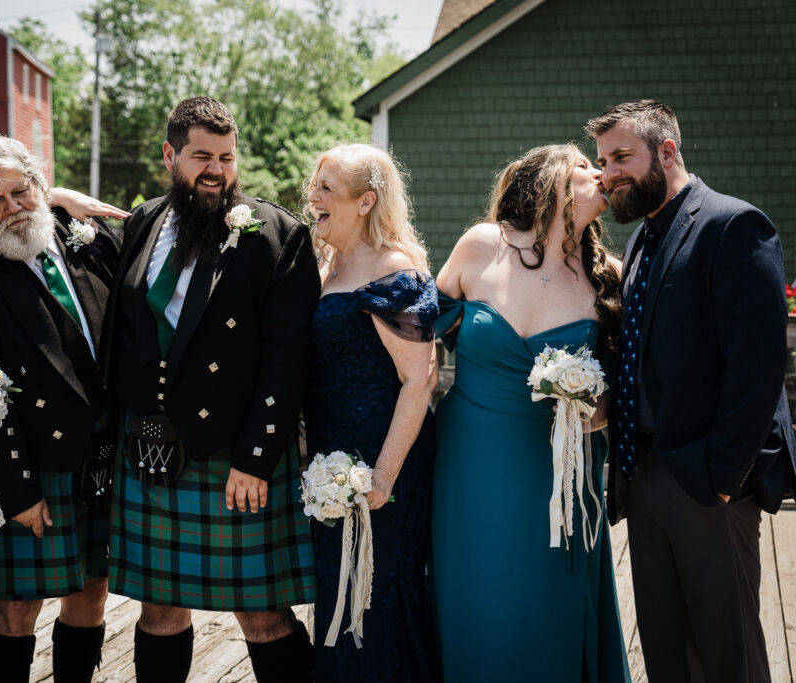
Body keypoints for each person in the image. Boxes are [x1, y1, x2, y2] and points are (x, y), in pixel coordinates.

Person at [101, 97, 318, 683]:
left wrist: (256, 457)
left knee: (262, 612)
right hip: (151, 447)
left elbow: (287, 359)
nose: (216, 170)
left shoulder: (276, 234)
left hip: (234, 449)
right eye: (202, 157)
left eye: (226, 157)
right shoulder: (145, 221)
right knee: (158, 607)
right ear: (170, 155)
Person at [588, 100, 796, 683]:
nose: (609, 173)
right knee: (666, 653)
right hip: (643, 475)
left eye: (621, 156)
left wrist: (721, 476)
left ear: (667, 151)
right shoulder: (641, 240)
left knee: (729, 654)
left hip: (709, 482)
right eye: (603, 161)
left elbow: (758, 367)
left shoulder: (734, 225)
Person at [432, 144, 630, 681]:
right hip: (469, 457)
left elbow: (624, 379)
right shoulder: (481, 245)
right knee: (474, 593)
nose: (601, 173)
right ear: (548, 181)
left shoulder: (608, 276)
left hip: (556, 467)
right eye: (585, 165)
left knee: (548, 601)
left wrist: (598, 410)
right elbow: (428, 326)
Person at [0, 135, 122, 683]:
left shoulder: (83, 236)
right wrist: (16, 487)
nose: (12, 207)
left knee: (93, 590)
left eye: (20, 191)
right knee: (17, 606)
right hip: (29, 457)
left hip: (101, 451)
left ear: (40, 186)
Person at [302, 143, 441, 681]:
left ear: (365, 201)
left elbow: (418, 380)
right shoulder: (323, 267)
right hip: (329, 460)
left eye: (327, 188)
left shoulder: (392, 270)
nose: (313, 197)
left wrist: (383, 475)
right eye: (314, 185)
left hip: (386, 459)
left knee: (381, 591)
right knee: (336, 589)